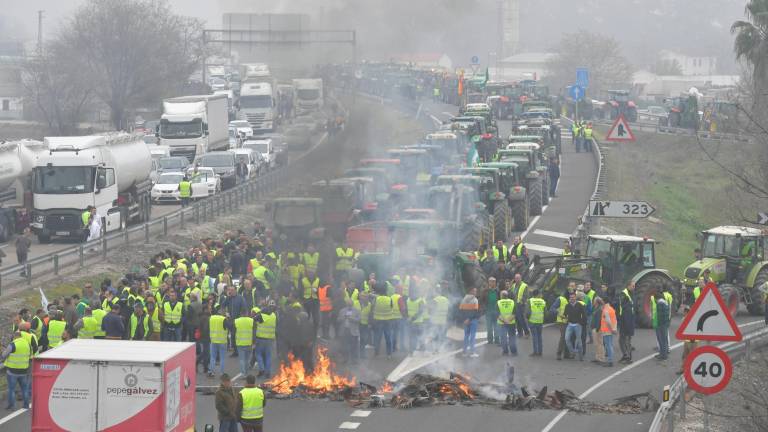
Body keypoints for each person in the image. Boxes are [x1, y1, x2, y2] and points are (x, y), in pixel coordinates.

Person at [1, 331, 31, 410]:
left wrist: (3, 350)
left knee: (11, 389)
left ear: (14, 336)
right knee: (24, 389)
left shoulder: (13, 344)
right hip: (24, 370)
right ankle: (26, 405)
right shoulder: (27, 343)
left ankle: (12, 406)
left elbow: (4, 355)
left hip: (12, 371)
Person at [370, 282, 393, 359]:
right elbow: (391, 307)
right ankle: (389, 354)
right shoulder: (390, 299)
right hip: (387, 320)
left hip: (378, 320)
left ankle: (376, 353)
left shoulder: (376, 299)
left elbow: (372, 308)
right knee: (388, 337)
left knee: (377, 337)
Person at [254, 301, 277, 377]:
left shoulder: (261, 316)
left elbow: (253, 320)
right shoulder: (274, 315)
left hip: (261, 339)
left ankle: (261, 369)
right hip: (270, 339)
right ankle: (268, 372)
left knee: (258, 354)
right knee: (268, 356)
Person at [337, 298, 361, 363]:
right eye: (348, 304)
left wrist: (351, 318)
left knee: (354, 346)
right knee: (344, 346)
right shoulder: (342, 311)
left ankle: (354, 360)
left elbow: (359, 320)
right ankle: (345, 359)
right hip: (344, 330)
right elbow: (338, 320)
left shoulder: (357, 311)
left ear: (352, 304)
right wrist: (343, 318)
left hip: (353, 331)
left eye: (350, 304)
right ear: (346, 304)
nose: (349, 305)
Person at [209, 305, 230, 377]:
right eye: (223, 309)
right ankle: (221, 373)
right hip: (222, 341)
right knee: (222, 358)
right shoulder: (223, 319)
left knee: (213, 357)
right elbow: (229, 326)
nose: (224, 311)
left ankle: (212, 372)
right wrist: (228, 318)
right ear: (219, 310)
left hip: (213, 340)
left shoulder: (211, 318)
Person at [459, 287, 480, 358]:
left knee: (466, 336)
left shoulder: (463, 299)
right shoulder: (475, 300)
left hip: (465, 321)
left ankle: (464, 352)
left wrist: (464, 319)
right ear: (471, 291)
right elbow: (475, 311)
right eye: (475, 291)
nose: (476, 293)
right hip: (473, 320)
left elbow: (461, 310)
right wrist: (469, 319)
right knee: (472, 336)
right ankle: (472, 352)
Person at [564, 292, 586, 361]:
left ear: (575, 297)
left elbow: (584, 315)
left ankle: (581, 355)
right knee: (567, 339)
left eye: (573, 297)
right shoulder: (567, 305)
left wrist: (581, 323)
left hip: (578, 325)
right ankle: (572, 352)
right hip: (570, 324)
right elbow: (565, 314)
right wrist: (563, 317)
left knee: (579, 341)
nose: (572, 299)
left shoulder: (579, 305)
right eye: (570, 298)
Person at [618, 282, 636, 364]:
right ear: (628, 286)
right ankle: (625, 355)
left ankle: (628, 357)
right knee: (623, 340)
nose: (634, 287)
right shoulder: (624, 294)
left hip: (628, 321)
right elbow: (624, 310)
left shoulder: (630, 293)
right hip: (625, 321)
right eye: (633, 286)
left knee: (626, 340)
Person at [234, 310, 255, 377]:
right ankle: (246, 372)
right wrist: (254, 342)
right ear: (247, 313)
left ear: (241, 314)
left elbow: (233, 330)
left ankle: (243, 373)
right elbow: (254, 332)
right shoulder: (251, 320)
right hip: (249, 342)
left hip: (240, 343)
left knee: (242, 359)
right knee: (247, 359)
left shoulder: (236, 321)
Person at [549, 290, 569, 360]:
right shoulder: (560, 299)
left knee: (568, 337)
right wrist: (559, 313)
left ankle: (567, 354)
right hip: (562, 321)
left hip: (570, 322)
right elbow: (552, 309)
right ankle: (559, 353)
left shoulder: (573, 300)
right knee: (563, 337)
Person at [496, 290, 517, 356]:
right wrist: (509, 320)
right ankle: (514, 352)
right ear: (507, 295)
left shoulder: (498, 302)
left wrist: (504, 321)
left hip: (502, 323)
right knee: (512, 337)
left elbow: (497, 314)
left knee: (503, 337)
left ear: (501, 296)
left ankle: (505, 352)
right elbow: (514, 314)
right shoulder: (512, 302)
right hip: (511, 323)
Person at [527, 290, 546, 356]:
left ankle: (535, 351)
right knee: (539, 336)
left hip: (532, 321)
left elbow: (528, 312)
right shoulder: (543, 301)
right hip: (540, 321)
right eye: (540, 293)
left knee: (534, 337)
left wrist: (528, 318)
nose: (541, 295)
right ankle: (540, 351)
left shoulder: (530, 301)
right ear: (538, 294)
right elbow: (546, 312)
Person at [600, 298, 618, 367]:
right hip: (611, 330)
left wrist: (611, 329)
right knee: (610, 345)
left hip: (607, 330)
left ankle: (610, 361)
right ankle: (610, 360)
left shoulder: (605, 310)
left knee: (608, 346)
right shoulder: (611, 309)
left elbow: (607, 321)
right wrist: (614, 329)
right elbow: (615, 320)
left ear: (604, 302)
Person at [483, 277, 500, 345]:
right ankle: (490, 340)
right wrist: (484, 308)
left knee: (496, 326)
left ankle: (497, 340)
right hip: (488, 311)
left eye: (493, 281)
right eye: (490, 281)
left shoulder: (498, 291)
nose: (492, 283)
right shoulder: (485, 291)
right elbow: (482, 300)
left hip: (496, 311)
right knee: (489, 327)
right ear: (488, 282)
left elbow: (500, 300)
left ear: (495, 283)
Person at [512, 273, 530, 338]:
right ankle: (520, 333)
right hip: (515, 304)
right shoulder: (514, 285)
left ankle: (526, 332)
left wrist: (522, 302)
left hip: (521, 305)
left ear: (521, 278)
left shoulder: (524, 285)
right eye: (516, 278)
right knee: (517, 319)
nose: (517, 279)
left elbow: (526, 295)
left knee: (522, 319)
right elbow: (512, 294)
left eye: (518, 278)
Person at [654, 293, 670, 361]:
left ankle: (663, 355)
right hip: (665, 324)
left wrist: (657, 325)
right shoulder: (665, 303)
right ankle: (664, 353)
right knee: (665, 339)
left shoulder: (659, 304)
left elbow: (660, 316)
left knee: (661, 340)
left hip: (661, 325)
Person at [590, 297, 606, 364]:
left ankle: (601, 358)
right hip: (595, 328)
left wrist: (597, 328)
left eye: (594, 301)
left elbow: (599, 320)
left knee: (600, 343)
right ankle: (597, 357)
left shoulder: (599, 310)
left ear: (597, 302)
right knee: (596, 344)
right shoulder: (596, 308)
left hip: (598, 329)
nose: (593, 302)